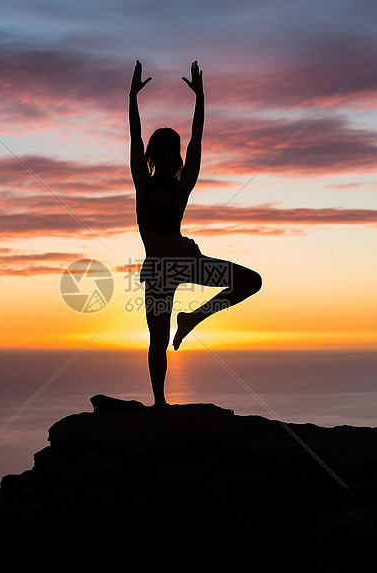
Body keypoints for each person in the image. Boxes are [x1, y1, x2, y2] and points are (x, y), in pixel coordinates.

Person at [129, 60, 262, 411]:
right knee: (156, 339)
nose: (170, 153)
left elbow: (196, 140)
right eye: (167, 149)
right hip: (168, 269)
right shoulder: (148, 184)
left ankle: (193, 318)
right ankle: (159, 403)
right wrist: (133, 99)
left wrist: (201, 99)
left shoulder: (174, 187)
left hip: (180, 263)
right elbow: (136, 136)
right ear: (159, 156)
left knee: (250, 282)